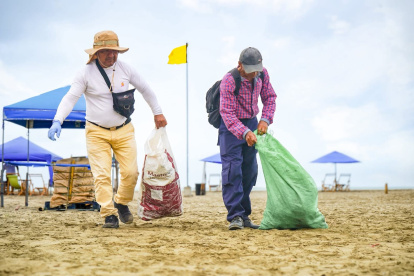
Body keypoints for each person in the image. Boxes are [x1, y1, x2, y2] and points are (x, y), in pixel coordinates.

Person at [48, 30, 167, 228]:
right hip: (96, 132)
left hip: (124, 130)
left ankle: (121, 202)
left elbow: (146, 89)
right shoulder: (84, 73)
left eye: (114, 51)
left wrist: (158, 112)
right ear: (96, 53)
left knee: (131, 173)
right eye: (106, 52)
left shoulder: (126, 69)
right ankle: (108, 214)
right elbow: (70, 97)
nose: (111, 55)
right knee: (101, 175)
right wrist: (57, 120)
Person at [219, 47, 276, 230]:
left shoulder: (262, 74)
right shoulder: (229, 81)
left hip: (252, 122)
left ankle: (244, 216)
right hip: (230, 127)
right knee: (232, 171)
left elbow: (270, 98)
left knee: (249, 172)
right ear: (240, 66)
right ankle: (235, 215)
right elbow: (226, 113)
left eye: (257, 70)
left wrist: (265, 120)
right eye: (251, 71)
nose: (254, 75)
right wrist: (244, 133)